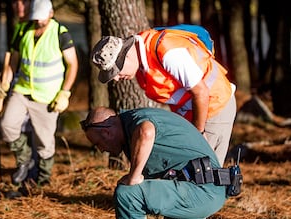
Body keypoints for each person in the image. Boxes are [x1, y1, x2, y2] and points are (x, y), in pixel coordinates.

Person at [80, 106, 268, 219]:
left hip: (202, 188)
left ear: (107, 132)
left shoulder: (135, 121)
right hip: (201, 190)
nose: (101, 149)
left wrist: (134, 176)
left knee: (126, 192)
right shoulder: (130, 134)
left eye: (98, 143)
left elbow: (146, 132)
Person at [91, 29, 236, 167]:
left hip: (214, 107)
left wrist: (198, 135)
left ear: (127, 55)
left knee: (205, 172)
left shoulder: (167, 53)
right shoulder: (142, 63)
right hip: (194, 113)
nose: (116, 78)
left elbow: (201, 92)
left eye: (116, 71)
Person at [0, 0, 78, 192]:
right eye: (35, 19)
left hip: (47, 97)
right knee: (7, 125)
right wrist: (6, 81)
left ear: (50, 13)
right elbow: (14, 60)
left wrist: (64, 92)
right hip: (23, 90)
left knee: (44, 142)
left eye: (41, 19)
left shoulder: (60, 33)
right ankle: (23, 161)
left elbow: (73, 65)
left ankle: (42, 181)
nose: (38, 22)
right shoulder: (23, 29)